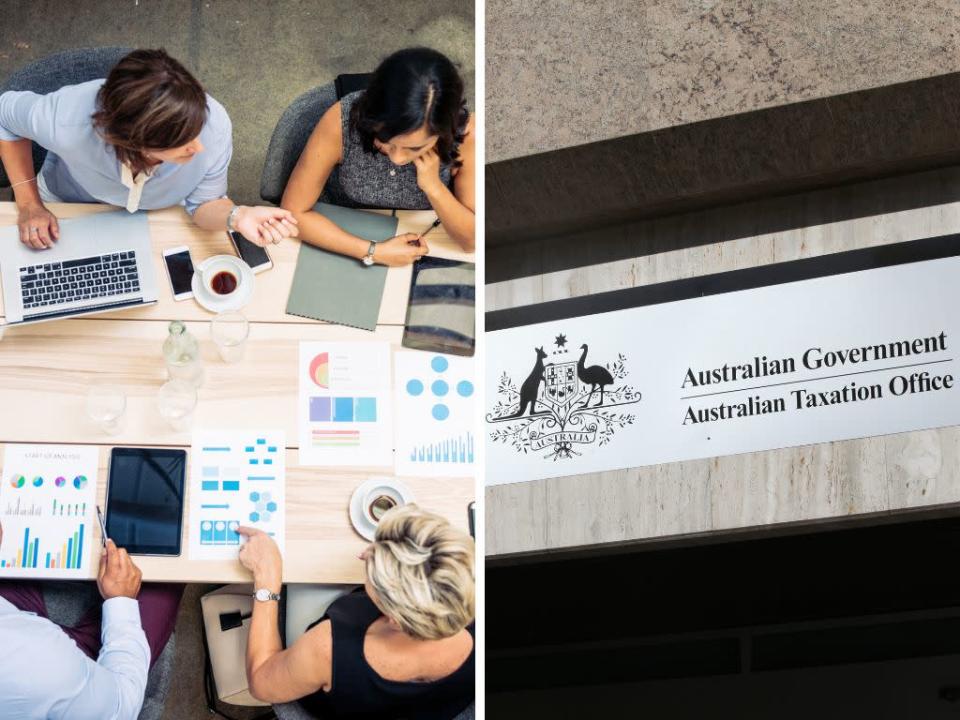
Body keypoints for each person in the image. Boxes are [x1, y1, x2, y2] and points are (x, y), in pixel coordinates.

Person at [0, 48, 297, 251]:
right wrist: (29, 205)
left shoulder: (214, 124)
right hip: (72, 202)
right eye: (183, 141)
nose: (200, 147)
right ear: (133, 140)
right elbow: (5, 117)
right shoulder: (64, 120)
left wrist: (237, 216)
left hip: (161, 210)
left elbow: (203, 205)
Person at [238, 504, 475, 718]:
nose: (367, 553)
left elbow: (260, 681)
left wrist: (266, 580)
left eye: (373, 566)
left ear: (393, 619)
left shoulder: (329, 648)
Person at [281, 47, 475, 267]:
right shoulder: (341, 121)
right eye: (386, 141)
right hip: (342, 229)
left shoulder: (467, 136)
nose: (398, 159)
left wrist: (434, 187)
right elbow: (293, 212)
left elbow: (470, 241)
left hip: (425, 240)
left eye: (414, 148)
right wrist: (373, 251)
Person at [0, 521, 183, 720]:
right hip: (51, 679)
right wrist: (121, 600)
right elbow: (122, 706)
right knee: (162, 576)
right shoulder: (37, 661)